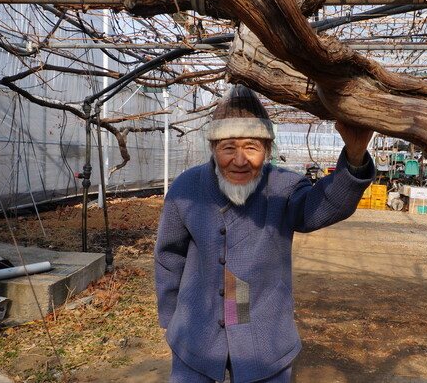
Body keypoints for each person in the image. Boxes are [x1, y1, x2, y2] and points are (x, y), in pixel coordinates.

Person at [154, 85, 375, 383]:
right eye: (228, 147)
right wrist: (169, 315)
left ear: (267, 150)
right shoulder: (187, 188)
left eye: (252, 147)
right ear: (213, 148)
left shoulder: (283, 187)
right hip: (197, 327)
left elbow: (324, 207)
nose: (240, 160)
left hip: (263, 331)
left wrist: (356, 154)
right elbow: (169, 256)